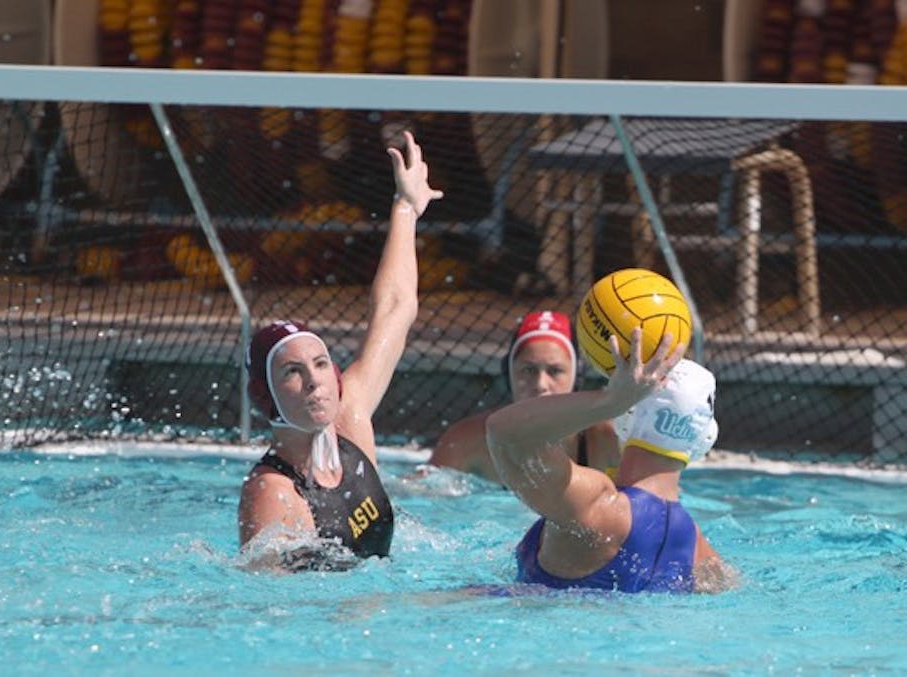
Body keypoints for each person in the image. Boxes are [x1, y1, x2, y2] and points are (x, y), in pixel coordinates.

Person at [238, 131, 443, 569]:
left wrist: (406, 207)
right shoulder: (274, 492)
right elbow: (269, 607)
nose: (316, 379)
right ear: (263, 396)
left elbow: (395, 308)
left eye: (320, 363)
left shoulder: (351, 421)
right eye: (293, 371)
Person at [486, 329, 732, 593]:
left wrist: (609, 401)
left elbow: (507, 434)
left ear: (626, 416)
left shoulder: (597, 507)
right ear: (705, 438)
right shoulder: (701, 554)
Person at [427, 310, 621, 482]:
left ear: (576, 375)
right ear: (508, 372)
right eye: (528, 370)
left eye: (554, 371)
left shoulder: (606, 439)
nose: (540, 385)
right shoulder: (466, 440)